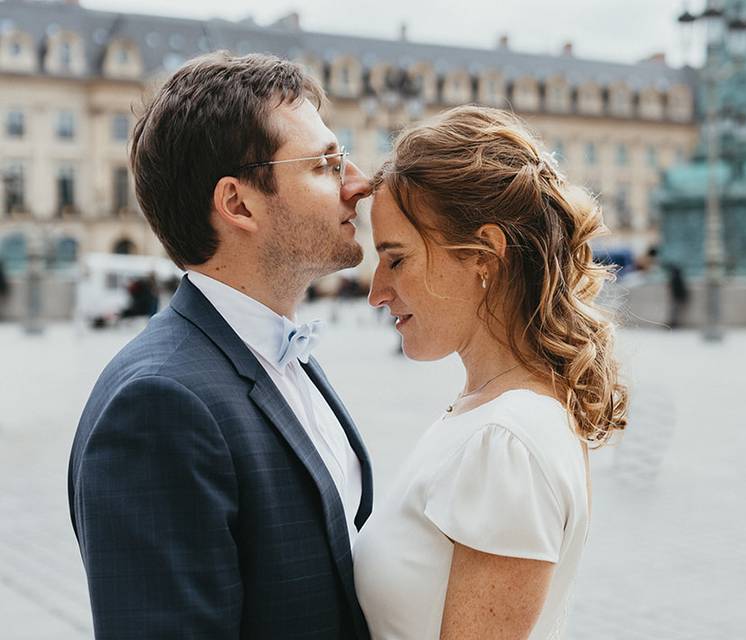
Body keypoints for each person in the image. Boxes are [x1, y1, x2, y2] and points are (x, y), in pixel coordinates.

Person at [68, 52, 374, 638]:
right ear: (238, 203)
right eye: (326, 163)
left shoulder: (274, 350)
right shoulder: (159, 405)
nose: (358, 184)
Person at [354, 105, 628, 639]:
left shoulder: (507, 441)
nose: (376, 292)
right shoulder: (488, 410)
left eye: (397, 259)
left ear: (484, 255)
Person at [667, 264, 689, 329]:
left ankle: (674, 323)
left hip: (677, 298)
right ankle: (674, 323)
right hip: (678, 297)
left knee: (675, 311)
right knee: (675, 311)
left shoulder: (675, 278)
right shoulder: (679, 278)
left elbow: (677, 289)